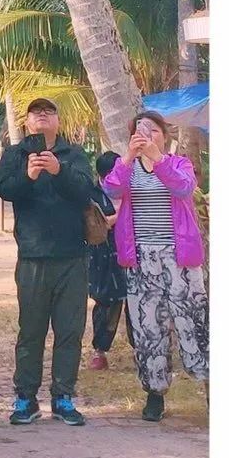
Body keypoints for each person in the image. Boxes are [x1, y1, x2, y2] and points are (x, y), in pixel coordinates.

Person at [102, 110, 208, 422]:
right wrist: (126, 158)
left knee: (194, 322)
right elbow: (110, 191)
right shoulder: (127, 169)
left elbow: (183, 189)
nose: (146, 135)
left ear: (164, 135)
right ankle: (154, 393)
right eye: (139, 130)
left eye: (153, 130)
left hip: (180, 258)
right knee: (148, 327)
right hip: (140, 259)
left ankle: (212, 387)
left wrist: (157, 159)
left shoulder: (178, 164)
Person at [0, 97, 93, 427]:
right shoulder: (15, 154)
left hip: (72, 256)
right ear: (26, 121)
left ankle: (63, 397)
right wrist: (28, 175)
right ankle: (26, 397)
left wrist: (59, 170)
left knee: (69, 331)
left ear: (57, 120)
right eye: (36, 112)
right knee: (31, 331)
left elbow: (86, 191)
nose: (42, 116)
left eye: (48, 111)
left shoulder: (74, 154)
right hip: (33, 256)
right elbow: (6, 190)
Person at [87, 150, 131, 369]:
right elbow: (94, 228)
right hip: (104, 256)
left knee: (136, 302)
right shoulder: (93, 194)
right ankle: (100, 351)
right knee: (107, 303)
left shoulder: (132, 188)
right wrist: (119, 215)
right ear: (103, 176)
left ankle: (141, 349)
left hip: (132, 253)